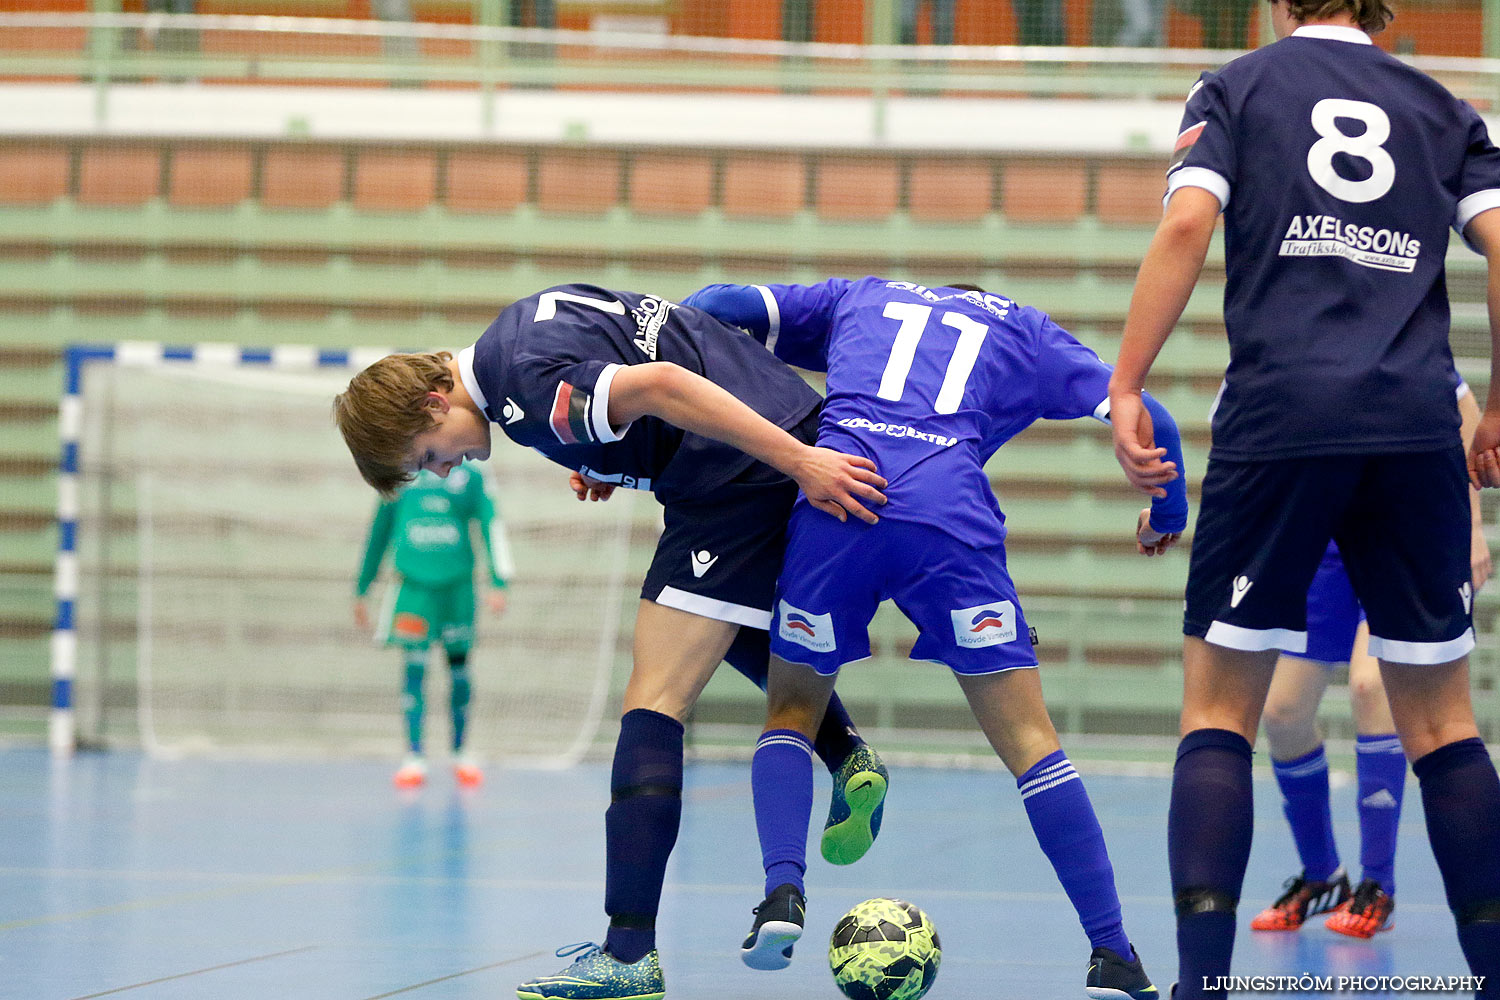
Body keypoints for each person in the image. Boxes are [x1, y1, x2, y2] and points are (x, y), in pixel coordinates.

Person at [333, 283, 890, 1000]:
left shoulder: (521, 388)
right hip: (770, 427)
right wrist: (605, 459)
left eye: (428, 458)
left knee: (653, 698)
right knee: (706, 620)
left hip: (737, 471)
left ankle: (628, 953)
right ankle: (847, 754)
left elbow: (662, 382)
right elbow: (659, 341)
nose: (444, 471)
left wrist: (798, 462)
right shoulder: (517, 329)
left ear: (432, 403)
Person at [1107, 0, 1500, 995]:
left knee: (1219, 714)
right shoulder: (1446, 109)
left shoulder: (1237, 88)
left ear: (1280, 2)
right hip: (1415, 424)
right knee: (1446, 728)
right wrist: (1494, 408)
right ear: (1389, 8)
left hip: (1279, 416)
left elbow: (1188, 223)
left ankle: (1200, 984)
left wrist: (1124, 385)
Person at [684, 276, 1185, 999]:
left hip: (839, 499)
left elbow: (718, 305)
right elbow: (1152, 417)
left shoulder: (856, 297)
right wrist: (1164, 516)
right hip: (948, 519)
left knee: (793, 708)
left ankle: (781, 895)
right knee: (1031, 742)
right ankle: (1112, 951)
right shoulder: (1024, 328)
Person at [1251, 382, 1491, 939]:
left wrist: (1473, 528)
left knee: (1370, 687)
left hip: (1403, 535)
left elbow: (1466, 418)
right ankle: (1321, 877)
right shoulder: (1293, 336)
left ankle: (1377, 883)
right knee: (1282, 713)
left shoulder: (1397, 318)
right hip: (1323, 543)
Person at [353, 459, 511, 788]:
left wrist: (499, 581)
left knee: (459, 671)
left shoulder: (470, 472)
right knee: (414, 666)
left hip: (457, 588)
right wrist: (362, 587)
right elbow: (378, 531)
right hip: (414, 588)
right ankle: (414, 757)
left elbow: (489, 521)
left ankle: (460, 752)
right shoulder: (398, 469)